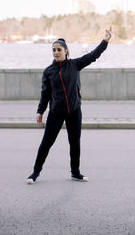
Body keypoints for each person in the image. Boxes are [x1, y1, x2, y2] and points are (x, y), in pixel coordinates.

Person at [27, 27, 112, 184]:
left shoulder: (75, 65)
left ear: (66, 51)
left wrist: (105, 40)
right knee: (46, 143)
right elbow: (45, 93)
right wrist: (40, 111)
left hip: (74, 111)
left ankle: (75, 172)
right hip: (56, 113)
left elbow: (93, 56)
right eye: (53, 50)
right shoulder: (49, 72)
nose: (56, 52)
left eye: (59, 49)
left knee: (75, 143)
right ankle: (35, 172)